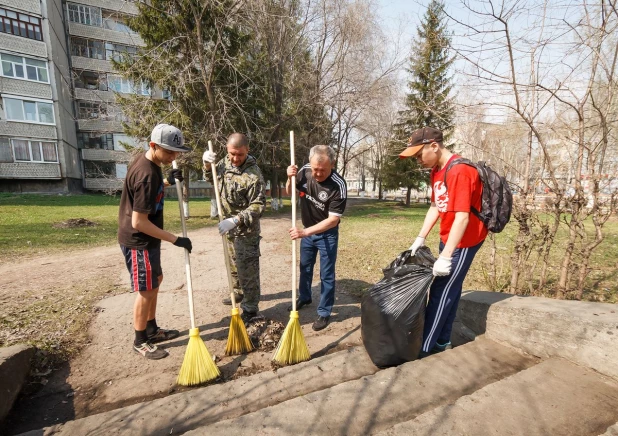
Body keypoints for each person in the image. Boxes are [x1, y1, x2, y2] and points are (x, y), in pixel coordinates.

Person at [400, 126, 487, 357]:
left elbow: (462, 217)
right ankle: (442, 340)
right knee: (451, 288)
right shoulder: (437, 170)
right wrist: (420, 237)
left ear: (434, 146)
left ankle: (424, 348)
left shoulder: (460, 171)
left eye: (419, 154)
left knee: (440, 291)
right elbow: (436, 205)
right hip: (448, 236)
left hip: (465, 240)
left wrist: (446, 257)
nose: (418, 160)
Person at [118, 123, 193, 360]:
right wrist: (175, 239)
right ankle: (140, 340)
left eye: (176, 152)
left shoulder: (150, 165)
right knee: (146, 289)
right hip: (139, 240)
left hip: (148, 240)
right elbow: (139, 222)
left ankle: (151, 329)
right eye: (169, 151)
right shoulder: (146, 174)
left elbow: (150, 193)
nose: (174, 156)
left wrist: (168, 182)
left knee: (155, 280)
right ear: (153, 146)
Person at [202, 133, 266, 323]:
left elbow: (258, 205)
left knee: (248, 270)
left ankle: (251, 308)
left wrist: (236, 220)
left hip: (246, 230)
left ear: (247, 150)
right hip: (228, 227)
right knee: (232, 265)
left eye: (239, 154)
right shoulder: (224, 163)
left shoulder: (254, 175)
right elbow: (211, 179)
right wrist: (206, 165)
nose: (235, 159)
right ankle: (237, 293)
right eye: (232, 154)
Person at [286, 145, 347, 331]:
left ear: (333, 165)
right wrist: (289, 178)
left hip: (326, 234)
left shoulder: (338, 185)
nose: (318, 174)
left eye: (323, 170)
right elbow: (291, 193)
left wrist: (305, 232)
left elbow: (333, 220)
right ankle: (304, 297)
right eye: (315, 169)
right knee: (305, 267)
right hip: (308, 231)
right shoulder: (304, 171)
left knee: (326, 274)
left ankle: (324, 312)